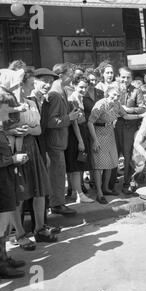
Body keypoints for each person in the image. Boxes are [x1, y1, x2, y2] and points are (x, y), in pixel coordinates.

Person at [7, 69, 58, 248]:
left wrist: (27, 129)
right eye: (29, 84)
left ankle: (39, 229)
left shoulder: (31, 102)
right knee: (18, 193)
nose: (30, 88)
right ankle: (20, 234)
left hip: (32, 147)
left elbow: (38, 130)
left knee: (39, 190)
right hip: (14, 149)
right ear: (19, 85)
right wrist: (14, 131)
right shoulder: (6, 104)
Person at [88, 83, 140, 204]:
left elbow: (125, 116)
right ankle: (99, 193)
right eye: (114, 94)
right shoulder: (100, 104)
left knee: (110, 163)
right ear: (108, 94)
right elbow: (90, 122)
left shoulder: (117, 104)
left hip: (110, 133)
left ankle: (106, 188)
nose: (116, 97)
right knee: (99, 165)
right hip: (99, 133)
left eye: (118, 95)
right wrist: (95, 140)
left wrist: (141, 115)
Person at [41, 63, 80, 215]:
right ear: (61, 76)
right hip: (54, 142)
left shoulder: (60, 91)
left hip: (59, 141)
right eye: (70, 74)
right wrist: (69, 117)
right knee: (57, 174)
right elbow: (51, 122)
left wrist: (72, 115)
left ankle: (57, 202)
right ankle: (57, 204)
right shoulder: (55, 94)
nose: (72, 77)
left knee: (58, 173)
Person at [0, 87, 28, 279]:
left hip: (5, 180)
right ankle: (1, 265)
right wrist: (14, 159)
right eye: (6, 107)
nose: (10, 110)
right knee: (1, 225)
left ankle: (3, 256)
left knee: (3, 224)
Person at [114, 67, 146, 194]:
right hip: (115, 126)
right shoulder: (113, 89)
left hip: (129, 127)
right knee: (114, 155)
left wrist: (128, 109)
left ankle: (128, 182)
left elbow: (143, 108)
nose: (125, 79)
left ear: (131, 79)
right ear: (118, 77)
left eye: (128, 77)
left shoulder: (136, 91)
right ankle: (110, 184)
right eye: (123, 77)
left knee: (128, 156)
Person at [64, 75, 94, 203]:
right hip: (75, 135)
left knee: (78, 166)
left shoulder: (80, 98)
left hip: (82, 133)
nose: (83, 89)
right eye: (81, 87)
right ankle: (79, 195)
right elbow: (75, 123)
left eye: (85, 87)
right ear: (74, 85)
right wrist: (80, 140)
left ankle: (75, 193)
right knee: (76, 167)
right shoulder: (72, 99)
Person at [83, 68, 104, 189]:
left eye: (95, 79)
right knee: (88, 153)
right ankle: (89, 180)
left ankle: (96, 182)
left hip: (99, 126)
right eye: (90, 79)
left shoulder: (100, 92)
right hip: (86, 126)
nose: (93, 81)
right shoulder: (82, 93)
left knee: (97, 153)